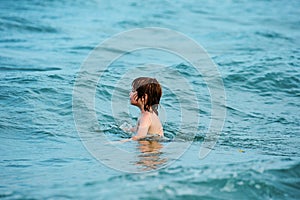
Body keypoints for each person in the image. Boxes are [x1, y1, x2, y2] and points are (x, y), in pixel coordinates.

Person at [124, 77, 164, 141]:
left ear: (144, 97)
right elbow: (139, 129)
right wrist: (129, 129)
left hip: (149, 149)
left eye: (133, 91)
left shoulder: (146, 116)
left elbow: (140, 136)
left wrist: (120, 142)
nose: (130, 93)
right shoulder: (146, 114)